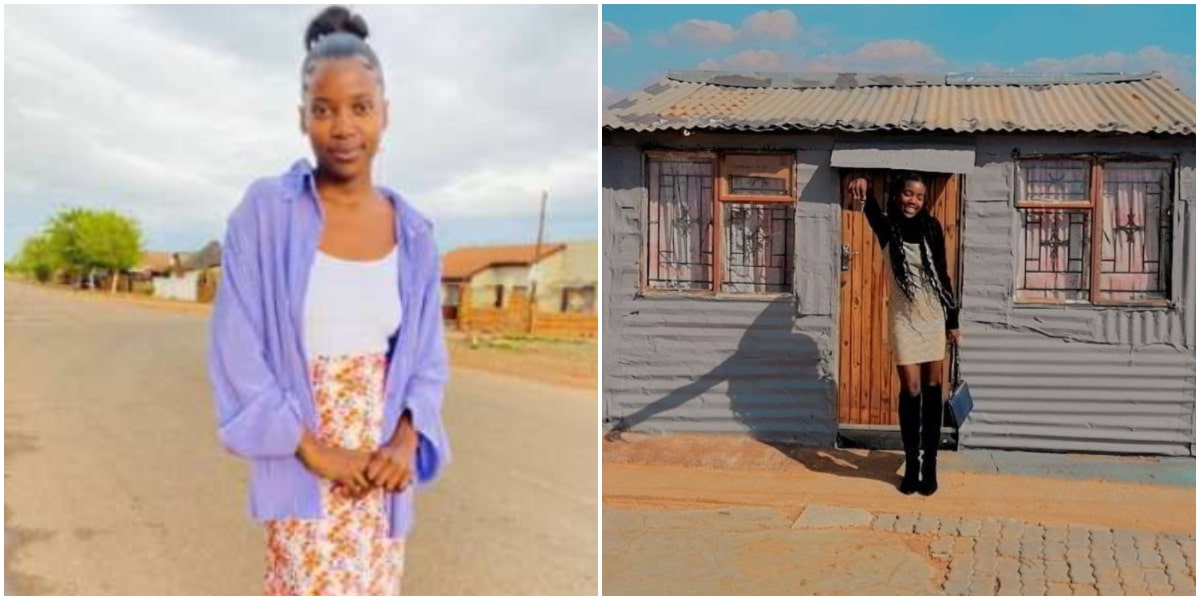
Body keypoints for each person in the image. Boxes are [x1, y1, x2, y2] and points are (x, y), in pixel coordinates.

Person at [207, 5, 449, 595]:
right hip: (304, 462)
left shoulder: (413, 233)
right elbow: (237, 348)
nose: (343, 127)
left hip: (381, 472)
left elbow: (426, 361)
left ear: (384, 114)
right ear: (302, 118)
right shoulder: (266, 213)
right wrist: (315, 451)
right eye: (324, 109)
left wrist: (406, 437)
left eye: (360, 107)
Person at [845, 172, 960, 496]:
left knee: (933, 388)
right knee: (910, 389)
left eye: (920, 197)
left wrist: (953, 321)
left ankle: (931, 463)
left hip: (932, 315)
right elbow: (868, 205)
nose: (913, 201)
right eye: (908, 194)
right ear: (899, 195)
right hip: (902, 317)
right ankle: (911, 463)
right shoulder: (887, 227)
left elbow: (943, 275)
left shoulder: (932, 227)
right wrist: (864, 181)